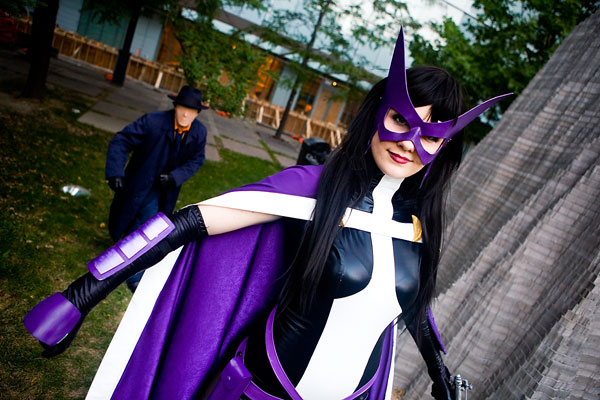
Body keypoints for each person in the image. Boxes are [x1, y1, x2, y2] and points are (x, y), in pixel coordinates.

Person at [24, 28, 510, 399]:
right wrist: (80, 296)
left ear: (444, 147)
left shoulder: (418, 224)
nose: (408, 143)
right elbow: (186, 222)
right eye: (401, 119)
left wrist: (440, 375)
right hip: (264, 389)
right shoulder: (311, 188)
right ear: (377, 112)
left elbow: (411, 306)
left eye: (431, 135)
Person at [105, 85, 209, 291]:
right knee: (147, 222)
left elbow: (196, 160)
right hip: (141, 181)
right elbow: (121, 140)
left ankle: (124, 255)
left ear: (198, 113)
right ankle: (135, 276)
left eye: (191, 110)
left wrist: (175, 177)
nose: (186, 114)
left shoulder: (199, 132)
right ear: (175, 106)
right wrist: (115, 171)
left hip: (167, 189)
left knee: (153, 223)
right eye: (182, 108)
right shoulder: (153, 121)